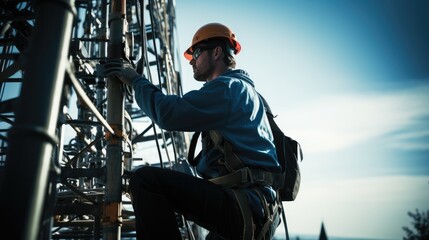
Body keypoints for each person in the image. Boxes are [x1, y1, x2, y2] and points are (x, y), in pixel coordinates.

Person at [103, 22, 282, 240]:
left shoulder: (228, 89)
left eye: (196, 53)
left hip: (245, 205)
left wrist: (135, 80)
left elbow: (168, 113)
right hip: (256, 208)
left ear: (217, 52)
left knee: (146, 182)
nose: (192, 62)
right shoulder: (247, 93)